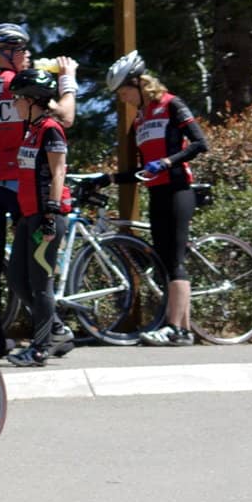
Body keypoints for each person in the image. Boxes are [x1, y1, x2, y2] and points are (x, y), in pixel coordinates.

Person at [0, 23, 78, 357]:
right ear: (6, 52)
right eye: (22, 50)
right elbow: (65, 117)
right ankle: (49, 331)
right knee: (35, 267)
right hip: (24, 184)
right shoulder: (22, 85)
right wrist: (68, 80)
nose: (28, 56)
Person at [108, 50, 211, 346]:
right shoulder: (139, 120)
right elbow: (143, 170)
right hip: (156, 191)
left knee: (173, 259)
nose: (122, 97)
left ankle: (176, 330)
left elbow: (200, 144)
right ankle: (184, 328)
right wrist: (109, 179)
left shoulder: (170, 104)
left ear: (140, 83)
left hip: (178, 189)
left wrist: (168, 162)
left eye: (124, 91)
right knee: (164, 261)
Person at [5, 69, 71, 368]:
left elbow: (59, 172)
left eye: (18, 98)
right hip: (29, 216)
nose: (14, 103)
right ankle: (56, 327)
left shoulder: (50, 129)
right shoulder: (29, 130)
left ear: (33, 100)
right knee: (18, 278)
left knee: (41, 284)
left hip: (46, 217)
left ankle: (41, 348)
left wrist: (52, 212)